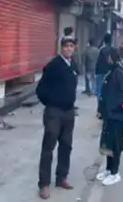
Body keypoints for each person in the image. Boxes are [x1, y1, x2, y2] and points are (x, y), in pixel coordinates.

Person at [36, 37, 79, 199]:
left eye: (71, 46)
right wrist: (51, 102)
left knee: (66, 146)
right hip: (54, 112)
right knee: (48, 148)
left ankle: (61, 178)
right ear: (61, 48)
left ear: (74, 48)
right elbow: (40, 90)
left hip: (68, 113)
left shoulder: (72, 65)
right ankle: (44, 184)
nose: (69, 49)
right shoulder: (53, 66)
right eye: (66, 46)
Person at [95, 48, 123, 186]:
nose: (107, 59)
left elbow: (122, 95)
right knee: (108, 144)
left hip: (118, 117)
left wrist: (111, 108)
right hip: (109, 116)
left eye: (108, 57)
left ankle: (115, 173)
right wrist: (101, 110)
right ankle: (109, 170)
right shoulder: (111, 71)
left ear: (113, 58)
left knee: (116, 145)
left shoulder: (119, 73)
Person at [93, 33, 114, 98]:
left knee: (99, 88)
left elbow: (98, 61)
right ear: (111, 40)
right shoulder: (113, 49)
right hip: (110, 71)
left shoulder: (101, 49)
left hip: (101, 71)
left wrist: (96, 71)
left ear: (104, 40)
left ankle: (99, 104)